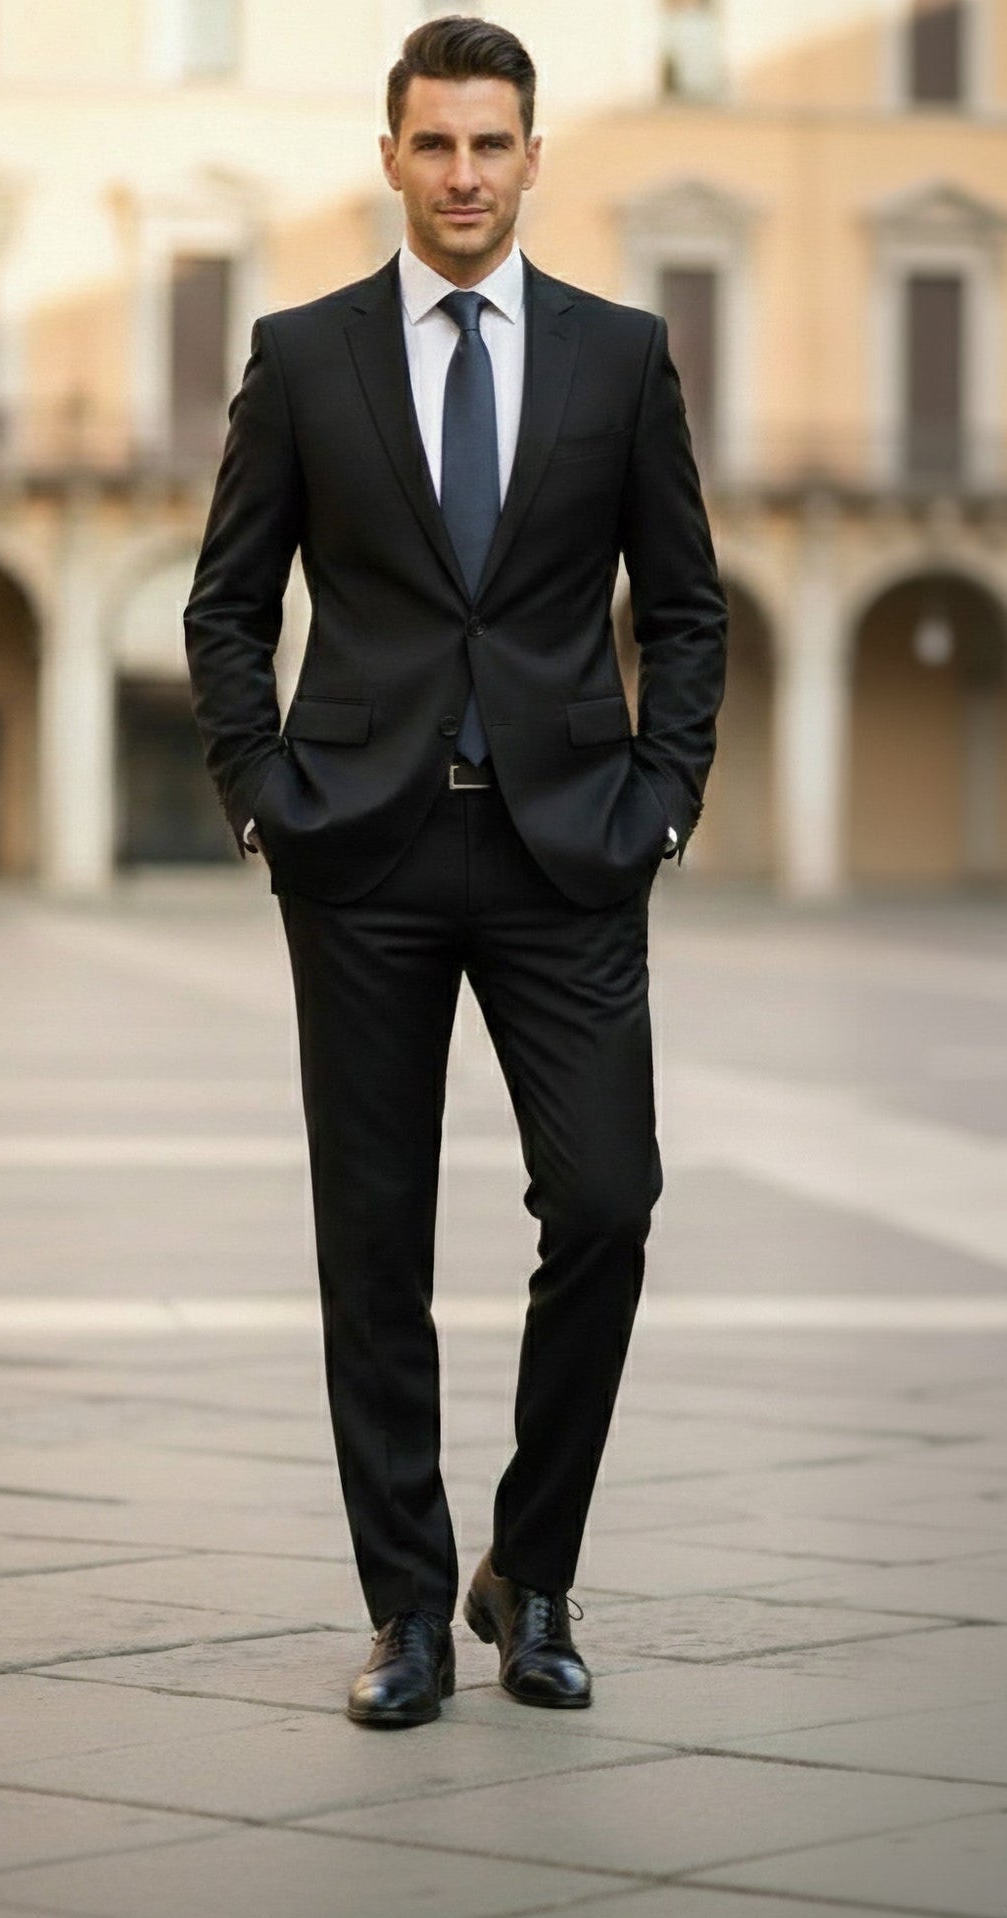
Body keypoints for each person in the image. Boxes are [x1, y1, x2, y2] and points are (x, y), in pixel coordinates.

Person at [184, 13, 727, 1727]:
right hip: (364, 850)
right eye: (435, 144)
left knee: (610, 1203)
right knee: (372, 1240)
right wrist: (264, 787)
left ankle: (532, 1570)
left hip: (569, 849)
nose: (465, 174)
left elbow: (687, 607)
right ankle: (410, 1611)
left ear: (533, 157)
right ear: (391, 158)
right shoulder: (303, 353)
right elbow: (224, 603)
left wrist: (662, 797)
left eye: (492, 144)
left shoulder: (618, 357)